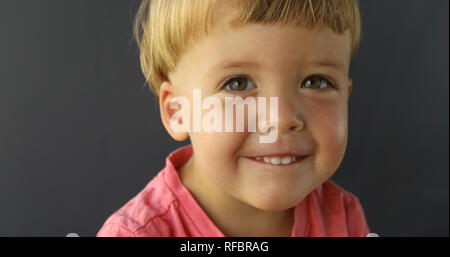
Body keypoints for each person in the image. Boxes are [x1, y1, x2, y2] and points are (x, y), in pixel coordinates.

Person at [97, 0, 371, 237]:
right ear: (177, 111)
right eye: (237, 84)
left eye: (315, 82)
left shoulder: (343, 217)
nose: (281, 118)